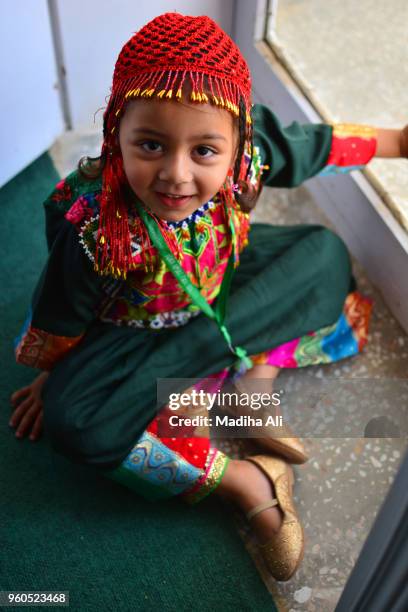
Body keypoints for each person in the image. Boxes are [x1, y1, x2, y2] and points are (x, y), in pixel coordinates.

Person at [9, 13, 408, 581]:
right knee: (75, 421)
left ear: (241, 140)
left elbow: (317, 145)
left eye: (204, 152)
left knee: (324, 256)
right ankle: (249, 480)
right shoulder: (95, 227)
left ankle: (249, 387)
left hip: (217, 292)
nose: (176, 175)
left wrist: (397, 141)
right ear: (115, 133)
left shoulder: (251, 155)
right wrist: (55, 374)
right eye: (150, 144)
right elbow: (60, 315)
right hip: (133, 330)